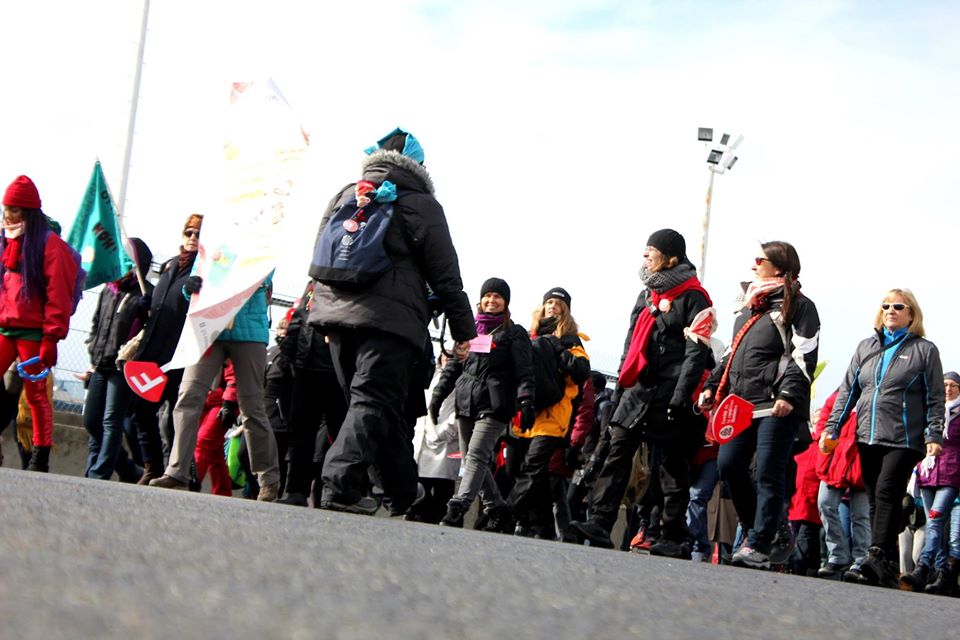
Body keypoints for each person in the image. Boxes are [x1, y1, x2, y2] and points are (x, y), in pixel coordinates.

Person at [309, 128, 475, 515]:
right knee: (372, 401)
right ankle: (340, 487)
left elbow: (321, 250)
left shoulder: (346, 193)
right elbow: (445, 272)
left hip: (335, 315)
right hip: (390, 321)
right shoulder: (422, 203)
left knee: (375, 404)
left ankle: (400, 490)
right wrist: (465, 331)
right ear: (418, 165)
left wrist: (321, 311)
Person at [570, 230, 713, 556]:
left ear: (671, 258)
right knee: (617, 450)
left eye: (652, 251)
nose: (645, 256)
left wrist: (680, 396)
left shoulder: (696, 298)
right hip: (637, 389)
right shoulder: (645, 294)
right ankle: (601, 522)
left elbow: (696, 354)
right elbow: (630, 343)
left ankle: (672, 536)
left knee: (672, 466)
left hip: (670, 391)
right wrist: (621, 385)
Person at [700, 241, 820, 570]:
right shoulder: (749, 308)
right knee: (728, 466)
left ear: (779, 267)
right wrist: (712, 386)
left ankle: (759, 543)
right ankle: (767, 528)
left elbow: (804, 356)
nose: (753, 265)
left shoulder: (800, 306)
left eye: (760, 260)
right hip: (741, 405)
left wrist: (788, 395)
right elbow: (731, 355)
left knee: (768, 471)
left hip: (776, 406)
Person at [820, 288, 944, 588]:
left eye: (898, 306)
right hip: (868, 435)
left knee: (887, 490)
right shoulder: (866, 347)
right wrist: (832, 427)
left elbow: (935, 396)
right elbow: (848, 391)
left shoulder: (924, 350)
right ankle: (885, 567)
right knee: (876, 498)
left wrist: (933, 433)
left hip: (905, 438)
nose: (891, 310)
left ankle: (874, 555)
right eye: (886, 306)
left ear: (911, 314)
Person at [150, 269, 282, 502]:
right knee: (188, 396)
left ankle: (268, 479)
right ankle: (177, 471)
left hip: (249, 332)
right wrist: (189, 287)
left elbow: (264, 276)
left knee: (252, 407)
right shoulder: (214, 245)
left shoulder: (261, 249)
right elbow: (200, 272)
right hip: (209, 329)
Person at [429, 277, 536, 530]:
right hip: (466, 401)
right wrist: (438, 395)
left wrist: (526, 400)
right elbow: (454, 365)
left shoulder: (514, 333)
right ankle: (497, 508)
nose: (491, 300)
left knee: (476, 455)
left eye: (497, 296)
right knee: (471, 459)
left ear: (506, 302)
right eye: (487, 296)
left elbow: (524, 370)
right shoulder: (469, 330)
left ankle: (458, 506)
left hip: (495, 404)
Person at [0, 175, 81, 472]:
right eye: (6, 209)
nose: (8, 215)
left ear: (28, 212)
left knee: (36, 396)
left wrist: (51, 338)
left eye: (14, 210)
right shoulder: (5, 241)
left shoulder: (50, 245)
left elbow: (58, 294)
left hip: (34, 332)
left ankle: (40, 455)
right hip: (5, 326)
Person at [507, 287, 590, 539]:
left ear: (566, 311)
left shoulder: (571, 340)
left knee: (532, 468)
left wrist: (558, 349)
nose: (552, 306)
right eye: (549, 302)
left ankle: (503, 515)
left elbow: (581, 371)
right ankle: (542, 528)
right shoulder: (528, 337)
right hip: (526, 413)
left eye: (558, 304)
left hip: (554, 415)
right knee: (527, 472)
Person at [129, 214, 202, 483]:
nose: (192, 238)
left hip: (182, 355)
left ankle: (183, 470)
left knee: (176, 417)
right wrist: (146, 306)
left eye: (198, 234)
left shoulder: (206, 269)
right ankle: (153, 466)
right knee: (142, 410)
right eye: (188, 232)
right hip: (154, 352)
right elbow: (161, 305)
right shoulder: (170, 265)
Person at [82, 237, 153, 481]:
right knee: (91, 420)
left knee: (111, 420)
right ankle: (127, 468)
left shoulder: (145, 293)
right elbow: (96, 323)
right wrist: (93, 348)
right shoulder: (109, 289)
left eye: (129, 260)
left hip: (122, 366)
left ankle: (98, 473)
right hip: (100, 363)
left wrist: (148, 309)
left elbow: (148, 331)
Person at [278, 281, 347, 506]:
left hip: (338, 369)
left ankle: (342, 492)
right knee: (300, 432)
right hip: (305, 366)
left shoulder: (352, 280)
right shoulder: (312, 284)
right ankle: (296, 490)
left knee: (341, 434)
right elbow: (298, 319)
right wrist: (287, 355)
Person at [899, 371, 960, 594]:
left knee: (934, 520)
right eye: (945, 384)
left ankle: (923, 567)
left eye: (953, 385)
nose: (948, 389)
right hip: (927, 474)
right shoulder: (931, 412)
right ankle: (942, 574)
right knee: (937, 527)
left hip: (951, 474)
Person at [812, 390, 869, 582]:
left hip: (862, 459)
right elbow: (825, 416)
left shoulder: (876, 392)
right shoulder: (841, 393)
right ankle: (838, 555)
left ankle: (860, 560)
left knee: (860, 515)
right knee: (824, 503)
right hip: (835, 458)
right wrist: (822, 435)